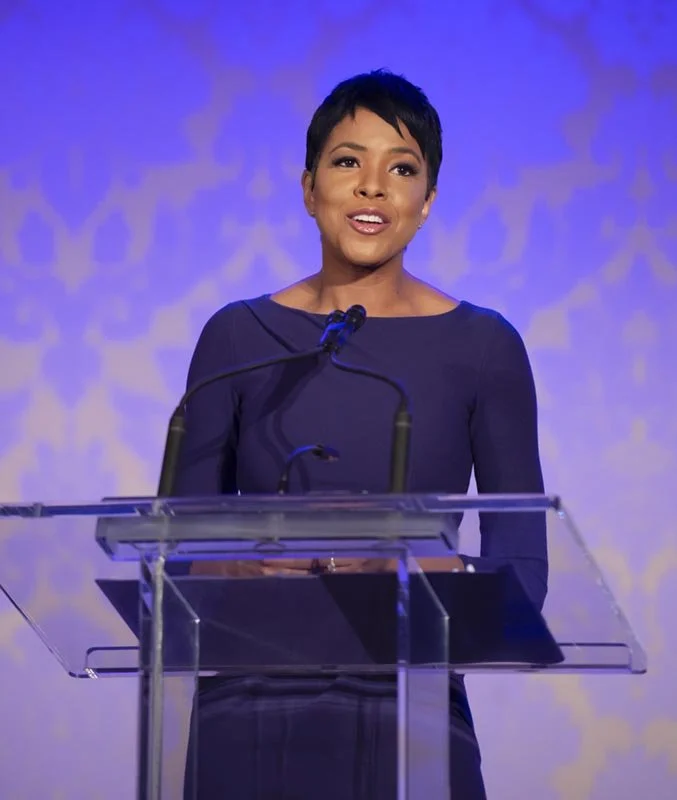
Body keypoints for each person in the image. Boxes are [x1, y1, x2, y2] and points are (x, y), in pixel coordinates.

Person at [174, 69, 547, 799]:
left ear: (427, 202)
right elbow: (180, 552)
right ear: (309, 186)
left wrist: (404, 574)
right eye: (348, 161)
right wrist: (246, 568)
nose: (373, 187)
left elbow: (521, 573)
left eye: (400, 168)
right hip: (246, 712)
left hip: (410, 714)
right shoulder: (235, 337)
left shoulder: (483, 345)